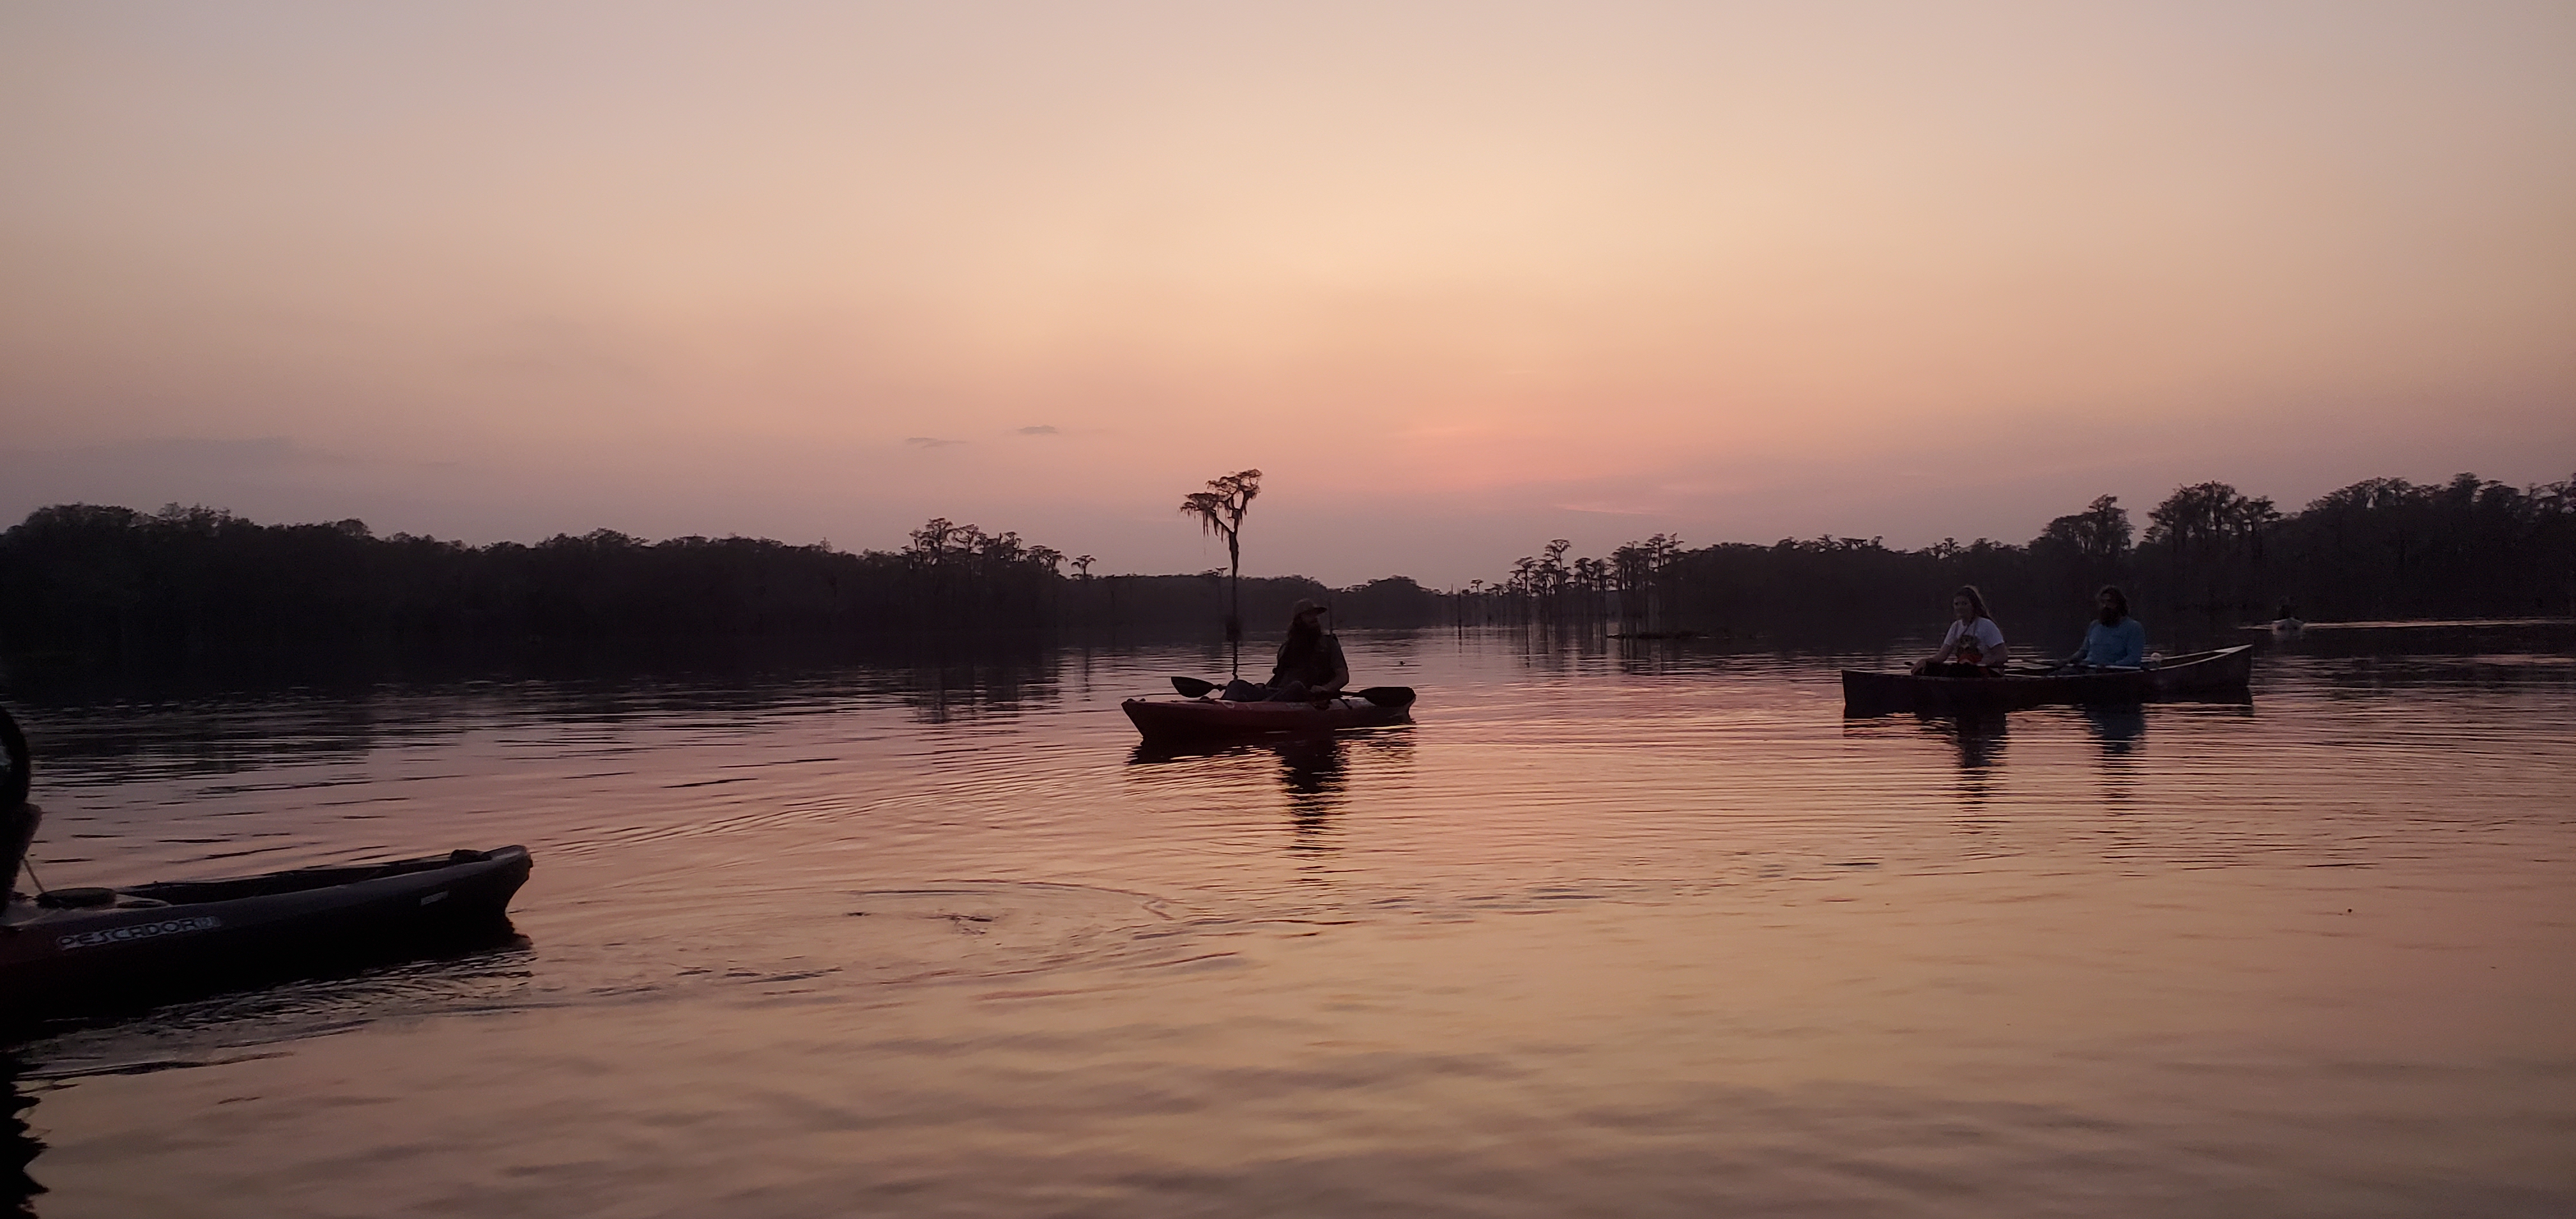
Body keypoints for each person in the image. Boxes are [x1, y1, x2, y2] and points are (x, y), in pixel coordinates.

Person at [1219, 599, 1351, 702]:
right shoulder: (1287, 647)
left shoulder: (1329, 644)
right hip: (1280, 694)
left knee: (1296, 687)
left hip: (1309, 695)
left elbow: (1343, 677)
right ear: (1298, 620)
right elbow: (1280, 676)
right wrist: (1265, 687)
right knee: (1236, 685)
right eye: (1309, 615)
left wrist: (1325, 689)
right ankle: (1222, 708)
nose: (1315, 618)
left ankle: (1260, 706)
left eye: (1315, 615)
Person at [1913, 585, 2007, 677]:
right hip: (1964, 670)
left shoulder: (1987, 625)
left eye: (1964, 604)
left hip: (1987, 672)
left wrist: (1979, 663)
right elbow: (1941, 656)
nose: (1960, 607)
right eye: (1957, 604)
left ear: (1973, 605)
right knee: (1928, 668)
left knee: (1960, 670)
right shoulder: (1956, 627)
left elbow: (2002, 656)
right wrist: (1925, 661)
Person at [2061, 585, 2147, 670]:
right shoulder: (2094, 625)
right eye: (2102, 602)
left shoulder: (2134, 628)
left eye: (2110, 602)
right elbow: (2083, 651)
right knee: (2057, 675)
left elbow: (2134, 659)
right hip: (2087, 669)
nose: (2105, 606)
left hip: (2113, 673)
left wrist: (2109, 666)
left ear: (2120, 604)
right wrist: (2068, 661)